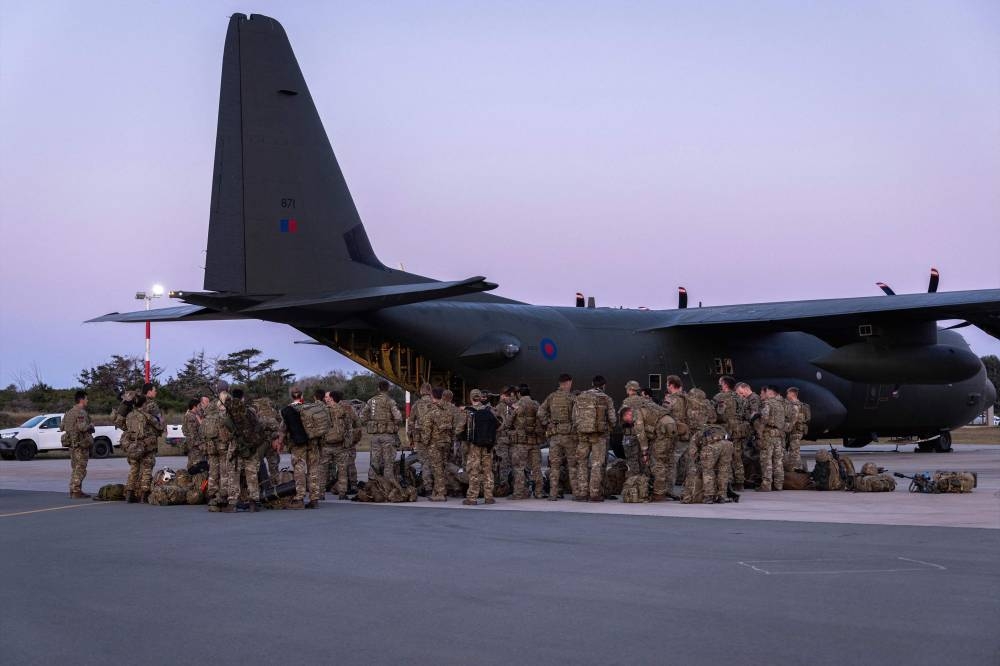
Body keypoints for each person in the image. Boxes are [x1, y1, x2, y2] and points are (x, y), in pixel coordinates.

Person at [572, 375, 616, 502]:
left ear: (592, 384)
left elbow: (574, 417)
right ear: (604, 385)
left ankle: (582, 493)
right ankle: (594, 493)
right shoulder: (606, 398)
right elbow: (612, 419)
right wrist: (609, 428)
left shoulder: (580, 397)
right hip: (599, 436)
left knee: (582, 463)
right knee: (596, 464)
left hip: (582, 435)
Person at [538, 374, 577, 500]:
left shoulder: (551, 397)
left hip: (555, 436)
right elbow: (577, 416)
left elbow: (540, 412)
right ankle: (576, 493)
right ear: (568, 383)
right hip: (569, 436)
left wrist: (547, 423)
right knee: (572, 465)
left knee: (554, 466)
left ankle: (553, 494)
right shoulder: (571, 398)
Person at [632, 398, 678, 501]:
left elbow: (640, 432)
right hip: (672, 425)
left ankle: (659, 493)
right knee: (669, 462)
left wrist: (644, 450)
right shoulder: (651, 406)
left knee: (657, 462)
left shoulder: (637, 411)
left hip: (662, 429)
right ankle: (668, 490)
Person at [505, 385, 544, 499]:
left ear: (519, 394)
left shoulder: (518, 405)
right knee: (536, 468)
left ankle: (519, 493)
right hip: (535, 441)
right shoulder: (536, 404)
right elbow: (542, 419)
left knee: (519, 467)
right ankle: (539, 492)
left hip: (521, 442)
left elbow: (508, 423)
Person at [463, 389, 500, 505]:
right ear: (480, 398)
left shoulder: (467, 412)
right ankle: (489, 496)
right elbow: (498, 425)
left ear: (471, 398)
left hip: (474, 446)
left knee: (474, 470)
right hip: (488, 446)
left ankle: (472, 498)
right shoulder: (489, 411)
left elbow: (460, 428)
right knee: (488, 470)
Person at [419, 387, 456, 501]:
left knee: (437, 468)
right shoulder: (449, 409)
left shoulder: (432, 411)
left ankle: (440, 493)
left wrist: (425, 442)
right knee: (444, 466)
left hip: (434, 444)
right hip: (447, 442)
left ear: (433, 397)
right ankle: (447, 488)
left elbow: (426, 429)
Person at [362, 380, 402, 479]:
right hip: (388, 436)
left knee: (374, 460)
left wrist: (372, 422)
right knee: (388, 462)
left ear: (378, 389)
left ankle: (372, 483)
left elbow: (362, 416)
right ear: (388, 389)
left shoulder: (371, 401)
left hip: (375, 436)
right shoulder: (390, 401)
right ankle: (387, 485)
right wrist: (392, 424)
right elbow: (398, 417)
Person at [124, 393, 160, 503]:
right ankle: (144, 495)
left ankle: (129, 493)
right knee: (147, 469)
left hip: (133, 446)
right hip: (146, 446)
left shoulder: (129, 415)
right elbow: (159, 426)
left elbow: (127, 428)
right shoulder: (147, 416)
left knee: (133, 469)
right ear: (144, 404)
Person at [279, 387, 311, 509]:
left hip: (298, 444)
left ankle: (300, 497)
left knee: (299, 469)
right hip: (312, 442)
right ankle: (315, 498)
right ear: (302, 395)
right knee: (313, 469)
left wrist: (280, 442)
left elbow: (283, 429)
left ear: (291, 396)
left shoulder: (288, 410)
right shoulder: (309, 407)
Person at [324, 390, 360, 499]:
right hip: (346, 442)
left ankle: (324, 490)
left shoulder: (326, 409)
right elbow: (357, 424)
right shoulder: (348, 407)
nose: (326, 399)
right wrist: (353, 440)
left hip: (330, 443)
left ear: (332, 398)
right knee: (348, 465)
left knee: (326, 467)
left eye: (327, 397)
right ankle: (350, 487)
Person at [62, 390, 94, 498]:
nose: (87, 401)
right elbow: (82, 427)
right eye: (86, 398)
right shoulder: (80, 412)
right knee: (81, 468)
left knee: (75, 467)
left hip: (71, 443)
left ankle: (75, 489)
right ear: (81, 400)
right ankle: (76, 490)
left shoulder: (68, 412)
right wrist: (90, 426)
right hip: (80, 444)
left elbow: (62, 426)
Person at [713, 376, 743, 490]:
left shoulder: (720, 397)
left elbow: (714, 412)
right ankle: (740, 482)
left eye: (720, 383)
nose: (719, 385)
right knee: (737, 456)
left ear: (725, 384)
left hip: (726, 429)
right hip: (739, 429)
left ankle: (728, 481)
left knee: (726, 456)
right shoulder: (740, 398)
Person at [406, 383, 435, 495]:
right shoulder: (435, 403)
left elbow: (411, 422)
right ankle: (440, 486)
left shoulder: (416, 405)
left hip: (420, 438)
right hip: (434, 437)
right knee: (436, 462)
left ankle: (428, 487)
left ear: (421, 391)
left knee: (424, 462)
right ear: (430, 391)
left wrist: (411, 438)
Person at [758, 386, 787, 491]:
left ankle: (766, 485)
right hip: (778, 435)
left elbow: (764, 418)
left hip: (768, 435)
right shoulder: (781, 404)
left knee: (767, 460)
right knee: (778, 461)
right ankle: (779, 485)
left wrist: (759, 432)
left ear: (770, 392)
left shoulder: (767, 403)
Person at [733, 382, 759, 491]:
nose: (740, 395)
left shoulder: (754, 399)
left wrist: (743, 415)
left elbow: (754, 415)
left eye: (740, 392)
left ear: (746, 388)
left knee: (751, 456)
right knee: (746, 456)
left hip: (752, 431)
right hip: (748, 431)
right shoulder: (748, 399)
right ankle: (749, 478)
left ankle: (753, 479)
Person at [492, 387, 516, 493]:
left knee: (510, 464)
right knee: (504, 463)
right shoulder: (500, 407)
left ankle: (508, 485)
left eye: (509, 395)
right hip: (503, 440)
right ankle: (504, 485)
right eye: (506, 395)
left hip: (510, 439)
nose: (509, 397)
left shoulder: (513, 406)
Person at [785, 387, 810, 470]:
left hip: (795, 431)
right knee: (795, 451)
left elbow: (793, 420)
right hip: (798, 431)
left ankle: (797, 469)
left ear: (792, 394)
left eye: (788, 393)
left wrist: (786, 429)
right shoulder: (802, 405)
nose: (787, 395)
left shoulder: (795, 406)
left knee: (794, 452)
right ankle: (798, 468)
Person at [181, 398, 206, 469]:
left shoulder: (191, 415)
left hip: (192, 444)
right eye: (199, 406)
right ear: (195, 406)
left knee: (192, 464)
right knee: (196, 465)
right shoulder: (191, 416)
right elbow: (193, 433)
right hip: (194, 445)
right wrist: (200, 444)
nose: (200, 407)